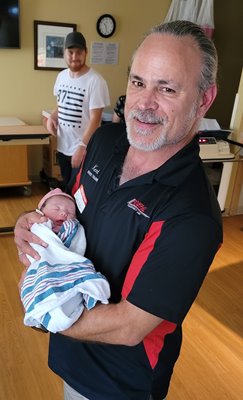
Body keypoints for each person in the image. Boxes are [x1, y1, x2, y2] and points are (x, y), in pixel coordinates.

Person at [14, 20, 222, 400]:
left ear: (204, 99)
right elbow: (71, 202)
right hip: (69, 356)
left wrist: (46, 310)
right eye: (139, 82)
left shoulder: (192, 216)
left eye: (167, 88)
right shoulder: (106, 141)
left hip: (117, 383)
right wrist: (37, 218)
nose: (143, 103)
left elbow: (129, 326)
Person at [20, 188, 110, 333]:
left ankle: (57, 312)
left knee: (68, 297)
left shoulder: (73, 228)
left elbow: (77, 248)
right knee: (40, 283)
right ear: (40, 211)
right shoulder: (39, 227)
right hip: (43, 264)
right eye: (56, 208)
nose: (63, 213)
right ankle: (48, 311)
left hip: (67, 267)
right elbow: (33, 245)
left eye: (70, 212)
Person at [46, 31, 110, 188]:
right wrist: (52, 118)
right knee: (67, 188)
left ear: (86, 53)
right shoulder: (61, 77)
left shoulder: (96, 81)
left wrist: (82, 147)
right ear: (64, 53)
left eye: (79, 52)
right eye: (71, 52)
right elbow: (61, 105)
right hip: (62, 146)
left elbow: (96, 118)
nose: (74, 57)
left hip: (83, 150)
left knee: (80, 192)